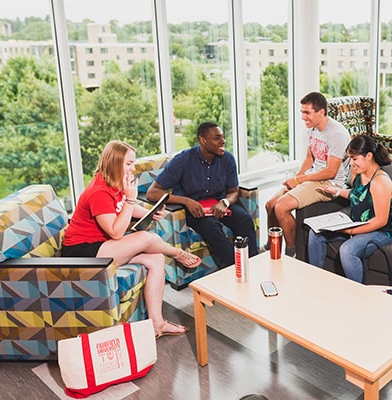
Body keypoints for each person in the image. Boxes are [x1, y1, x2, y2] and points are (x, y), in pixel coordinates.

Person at [61, 140, 199, 338]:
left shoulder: (114, 183)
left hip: (102, 247)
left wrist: (148, 213)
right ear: (115, 162)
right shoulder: (98, 192)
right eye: (129, 164)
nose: (133, 168)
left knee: (156, 259)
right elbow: (116, 232)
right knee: (144, 237)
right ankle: (177, 253)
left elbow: (122, 208)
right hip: (82, 253)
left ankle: (157, 324)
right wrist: (131, 198)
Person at [147, 122, 258, 268]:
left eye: (223, 137)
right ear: (203, 140)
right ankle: (237, 268)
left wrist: (224, 202)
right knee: (212, 228)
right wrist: (186, 201)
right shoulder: (182, 160)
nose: (223, 141)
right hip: (194, 209)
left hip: (218, 203)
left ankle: (255, 264)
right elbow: (152, 193)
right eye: (217, 138)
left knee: (244, 219)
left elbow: (233, 191)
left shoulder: (228, 159)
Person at [264, 91, 350, 257]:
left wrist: (299, 179)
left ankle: (292, 253)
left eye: (307, 112)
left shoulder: (336, 134)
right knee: (270, 205)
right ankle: (271, 246)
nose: (303, 117)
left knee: (281, 207)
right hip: (312, 177)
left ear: (321, 112)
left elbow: (331, 171)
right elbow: (310, 158)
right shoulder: (313, 128)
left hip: (329, 184)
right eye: (302, 112)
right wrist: (296, 180)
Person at [308, 135, 392, 283]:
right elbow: (359, 194)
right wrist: (337, 191)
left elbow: (381, 221)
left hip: (383, 232)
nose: (351, 163)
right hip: (358, 224)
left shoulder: (380, 182)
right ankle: (316, 281)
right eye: (350, 158)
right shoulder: (360, 173)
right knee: (316, 233)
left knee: (348, 250)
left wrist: (350, 231)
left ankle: (358, 295)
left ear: (369, 156)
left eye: (354, 158)